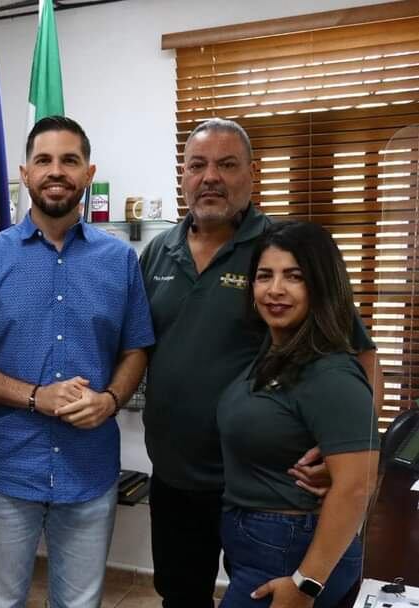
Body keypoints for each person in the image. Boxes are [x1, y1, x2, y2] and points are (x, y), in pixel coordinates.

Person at [138, 118, 378, 608]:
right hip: (176, 475)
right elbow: (140, 348)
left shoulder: (279, 252)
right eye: (198, 165)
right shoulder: (157, 253)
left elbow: (359, 351)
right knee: (181, 597)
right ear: (182, 175)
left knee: (261, 596)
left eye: (227, 165)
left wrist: (349, 457)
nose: (211, 177)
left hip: (259, 485)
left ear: (253, 174)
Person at [0, 115, 155, 608]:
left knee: (80, 603)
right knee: (0, 601)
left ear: (89, 172)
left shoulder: (119, 261)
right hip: (6, 467)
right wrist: (34, 397)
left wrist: (110, 401)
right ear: (26, 173)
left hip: (89, 471)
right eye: (44, 160)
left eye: (69, 160)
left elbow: (137, 348)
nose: (56, 171)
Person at [217, 220, 379, 608]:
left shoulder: (330, 372)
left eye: (295, 276)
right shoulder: (274, 353)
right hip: (260, 543)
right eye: (264, 276)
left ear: (321, 286)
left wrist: (305, 585)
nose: (275, 290)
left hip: (291, 549)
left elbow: (357, 485)